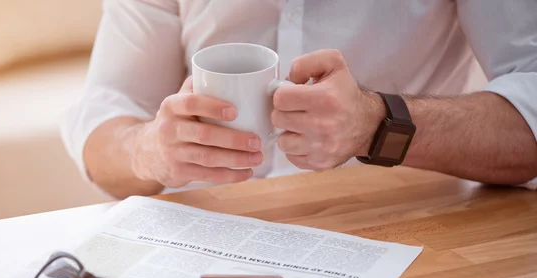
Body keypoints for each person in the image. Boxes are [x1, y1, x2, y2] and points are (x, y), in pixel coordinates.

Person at [61, 0, 537, 199]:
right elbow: (107, 104)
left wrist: (377, 125)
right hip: (207, 244)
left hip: (400, 231)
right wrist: (148, 151)